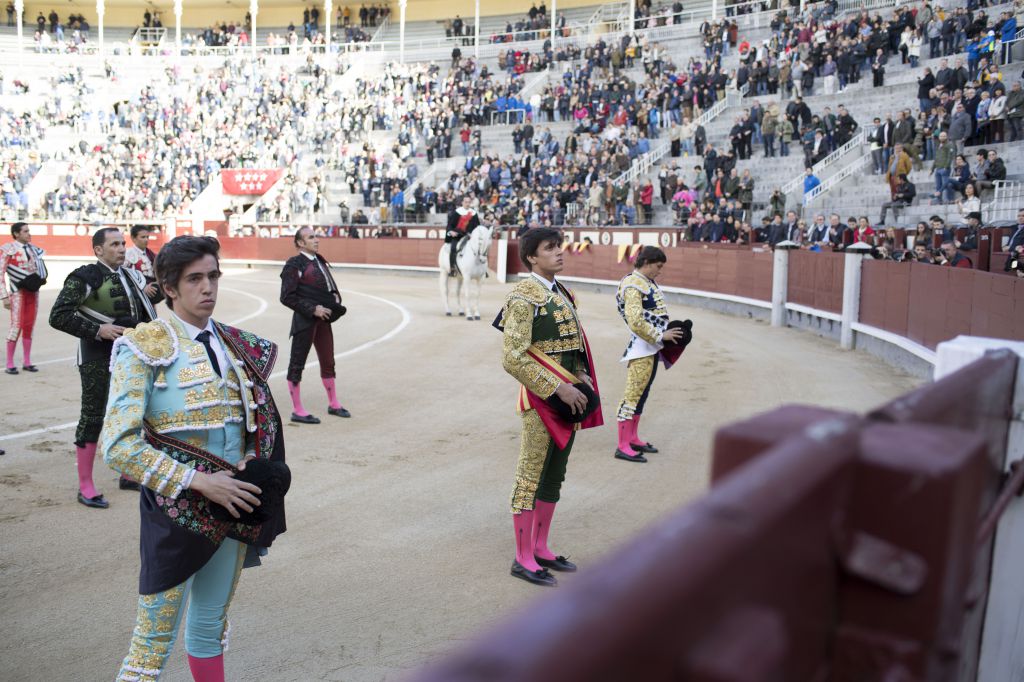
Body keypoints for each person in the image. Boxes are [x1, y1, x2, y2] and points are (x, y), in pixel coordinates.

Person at [101, 235, 289, 682]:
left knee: (210, 627)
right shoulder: (141, 346)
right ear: (169, 286)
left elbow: (251, 426)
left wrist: (248, 460)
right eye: (195, 279)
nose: (208, 288)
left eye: (213, 276)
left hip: (232, 505)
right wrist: (201, 482)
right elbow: (119, 446)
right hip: (175, 511)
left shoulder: (237, 346)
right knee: (151, 643)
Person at [495, 227, 602, 587]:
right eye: (550, 248)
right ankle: (522, 556)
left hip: (570, 396)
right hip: (541, 400)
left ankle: (540, 546)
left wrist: (582, 374)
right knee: (530, 474)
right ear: (531, 257)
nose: (559, 252)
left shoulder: (563, 293)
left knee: (555, 472)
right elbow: (512, 357)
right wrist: (558, 387)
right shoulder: (524, 297)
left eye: (560, 246)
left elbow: (572, 348)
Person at [49, 227, 160, 508]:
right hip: (96, 355)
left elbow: (143, 304)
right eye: (114, 244)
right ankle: (85, 485)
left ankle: (126, 472)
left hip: (131, 353)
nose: (122, 248)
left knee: (131, 409)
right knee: (94, 415)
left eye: (123, 243)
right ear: (98, 250)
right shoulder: (86, 276)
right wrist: (98, 329)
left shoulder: (131, 275)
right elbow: (58, 315)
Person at [613, 247, 689, 463]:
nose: (660, 271)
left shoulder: (645, 282)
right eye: (658, 266)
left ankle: (633, 438)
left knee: (642, 394)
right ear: (646, 262)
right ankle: (622, 445)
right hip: (642, 348)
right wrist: (660, 335)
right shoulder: (633, 284)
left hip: (651, 347)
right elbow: (635, 320)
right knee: (632, 394)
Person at [279, 226, 349, 425]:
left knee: (328, 360)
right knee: (297, 362)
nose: (316, 240)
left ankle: (333, 403)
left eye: (316, 236)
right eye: (311, 237)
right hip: (305, 320)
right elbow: (286, 297)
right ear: (300, 243)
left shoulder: (318, 260)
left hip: (324, 319)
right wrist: (313, 309)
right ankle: (297, 410)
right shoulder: (294, 264)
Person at [1, 222, 47, 374]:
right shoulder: (8, 250)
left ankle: (27, 362)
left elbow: (41, 270)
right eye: (26, 231)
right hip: (17, 293)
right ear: (16, 234)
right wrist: (4, 297)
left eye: (29, 231)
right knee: (16, 326)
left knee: (28, 326)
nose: (29, 233)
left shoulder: (35, 250)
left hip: (33, 293)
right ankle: (9, 363)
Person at [445, 195, 480, 276]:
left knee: (480, 248)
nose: (467, 204)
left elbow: (477, 226)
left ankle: (482, 269)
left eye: (469, 202)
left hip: (470, 236)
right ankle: (452, 268)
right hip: (458, 235)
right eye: (466, 202)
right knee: (453, 248)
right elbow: (450, 225)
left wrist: (473, 234)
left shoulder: (474, 214)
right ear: (462, 203)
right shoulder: (457, 212)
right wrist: (451, 232)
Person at [124, 225, 160, 297]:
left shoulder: (150, 254)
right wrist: (143, 286)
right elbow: (123, 275)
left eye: (147, 237)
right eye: (143, 237)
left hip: (151, 291)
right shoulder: (128, 254)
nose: (146, 239)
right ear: (133, 238)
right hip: (136, 293)